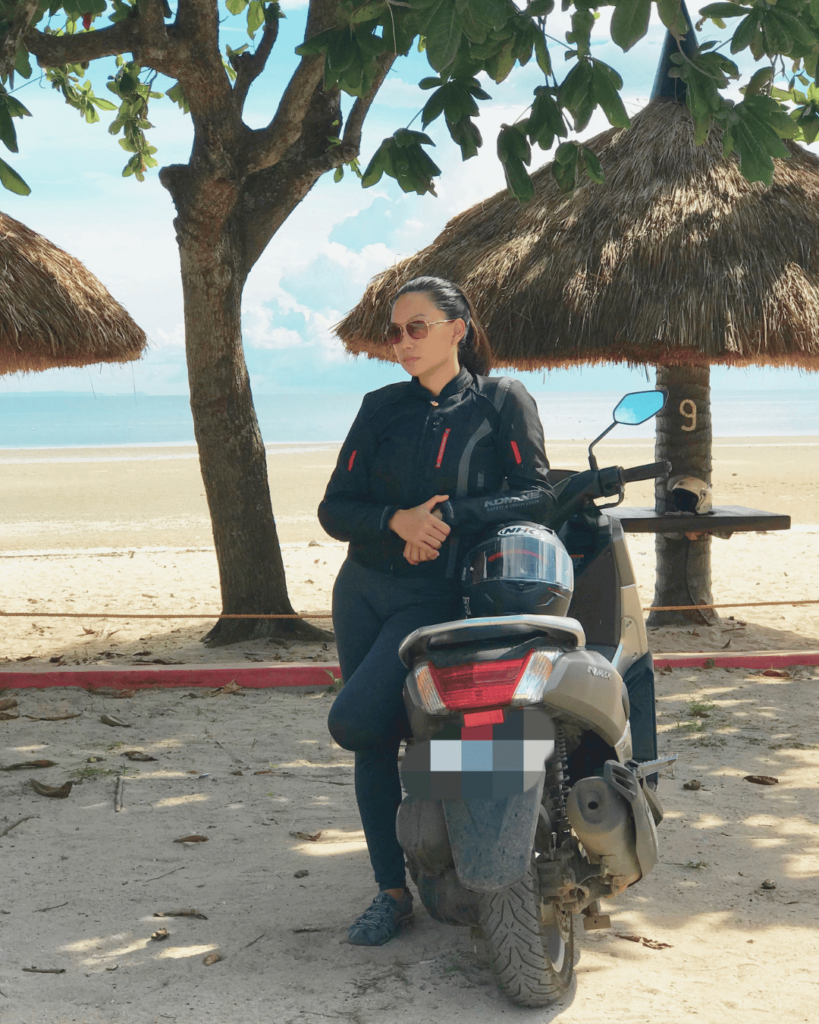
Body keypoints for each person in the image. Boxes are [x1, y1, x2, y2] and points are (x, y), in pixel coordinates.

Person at [317, 276, 555, 946]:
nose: (401, 343)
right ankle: (390, 893)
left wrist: (446, 518)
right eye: (393, 332)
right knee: (374, 742)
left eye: (415, 327)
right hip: (361, 590)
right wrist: (395, 520)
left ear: (458, 328)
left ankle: (470, 854)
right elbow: (336, 508)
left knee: (361, 720)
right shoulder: (379, 407)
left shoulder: (500, 399)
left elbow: (534, 494)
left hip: (433, 597)